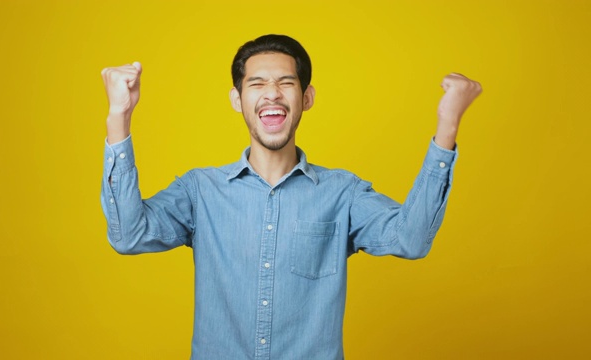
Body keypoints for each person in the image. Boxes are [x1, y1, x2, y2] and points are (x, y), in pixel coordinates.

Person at [100, 34, 481, 360]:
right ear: (237, 99)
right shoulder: (200, 191)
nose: (271, 94)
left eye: (286, 82)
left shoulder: (342, 193)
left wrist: (447, 126)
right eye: (257, 83)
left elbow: (411, 240)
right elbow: (128, 236)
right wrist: (119, 117)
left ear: (307, 97)